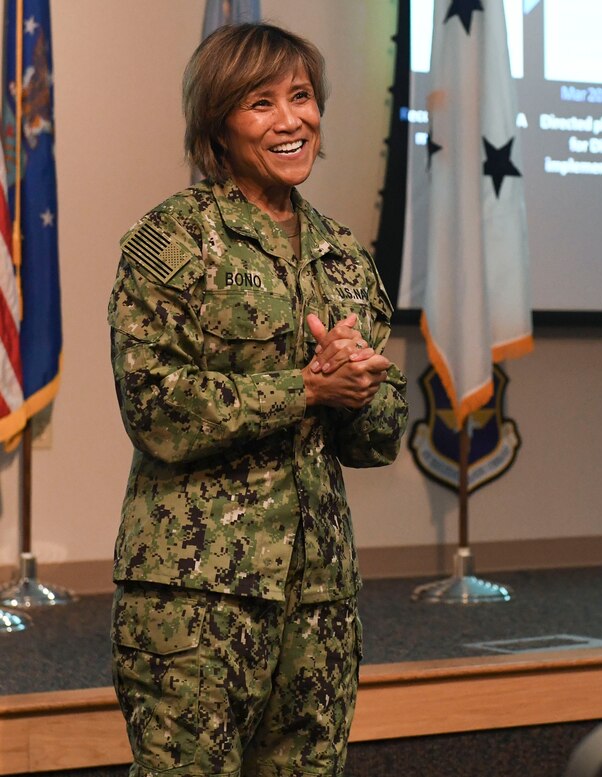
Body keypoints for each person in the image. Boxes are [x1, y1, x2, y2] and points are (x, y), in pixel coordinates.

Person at [106, 23, 407, 777]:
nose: (290, 120)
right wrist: (305, 386)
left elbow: (377, 438)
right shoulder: (173, 241)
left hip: (319, 601)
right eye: (260, 103)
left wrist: (359, 388)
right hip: (196, 597)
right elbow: (156, 409)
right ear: (218, 123)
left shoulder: (346, 259)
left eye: (302, 98)